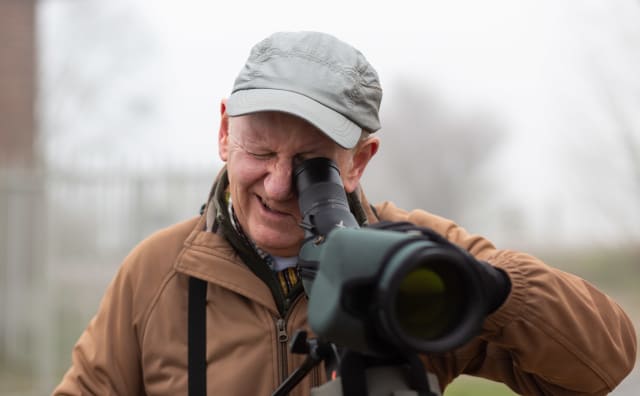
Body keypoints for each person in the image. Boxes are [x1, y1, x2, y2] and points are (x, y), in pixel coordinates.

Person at [53, 31, 636, 396]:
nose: (280, 184)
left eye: (311, 164)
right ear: (225, 133)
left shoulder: (409, 256)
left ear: (359, 161)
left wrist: (493, 288)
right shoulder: (158, 274)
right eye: (259, 151)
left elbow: (602, 365)